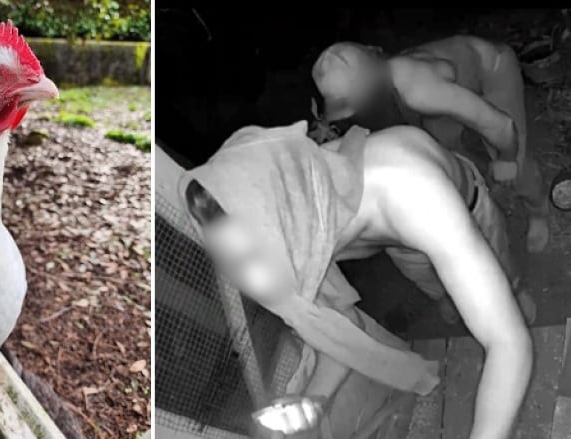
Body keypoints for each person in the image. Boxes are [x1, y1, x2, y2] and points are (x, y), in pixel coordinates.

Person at [182, 121, 533, 439]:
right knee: (440, 288)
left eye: (251, 258)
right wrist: (311, 402)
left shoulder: (413, 191)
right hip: (403, 245)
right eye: (231, 262)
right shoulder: (298, 219)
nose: (248, 284)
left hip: (463, 207)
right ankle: (452, 298)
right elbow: (341, 332)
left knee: (505, 297)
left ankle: (515, 290)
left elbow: (508, 342)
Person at [312, 35, 550, 254]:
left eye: (354, 102)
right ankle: (483, 185)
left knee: (515, 162)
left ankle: (539, 212)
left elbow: (501, 125)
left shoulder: (419, 90)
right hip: (452, 87)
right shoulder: (381, 77)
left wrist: (506, 159)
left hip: (492, 70)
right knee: (445, 147)